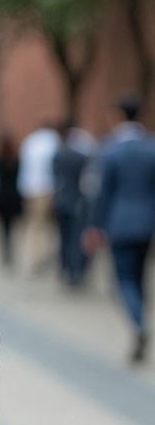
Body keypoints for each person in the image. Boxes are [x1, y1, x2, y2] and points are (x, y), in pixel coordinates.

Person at [83, 95, 155, 363]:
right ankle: (141, 321)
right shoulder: (151, 148)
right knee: (140, 278)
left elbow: (102, 194)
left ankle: (137, 324)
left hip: (119, 223)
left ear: (119, 117)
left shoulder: (109, 150)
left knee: (123, 280)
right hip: (147, 224)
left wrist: (94, 227)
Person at [17, 121, 60, 275]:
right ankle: (39, 260)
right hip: (45, 189)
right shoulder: (52, 141)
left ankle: (33, 260)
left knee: (33, 225)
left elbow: (24, 169)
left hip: (30, 189)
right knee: (44, 227)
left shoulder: (29, 142)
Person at [52, 120, 89, 287]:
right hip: (76, 200)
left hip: (61, 199)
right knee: (74, 237)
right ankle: (76, 271)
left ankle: (64, 268)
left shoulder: (57, 155)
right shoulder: (81, 157)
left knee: (62, 237)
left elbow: (54, 176)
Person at [0, 133, 24, 268]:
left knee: (3, 226)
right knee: (11, 226)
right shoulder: (16, 160)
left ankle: (5, 253)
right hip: (14, 196)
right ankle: (10, 252)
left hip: (2, 196)